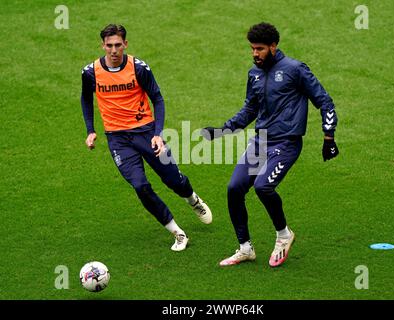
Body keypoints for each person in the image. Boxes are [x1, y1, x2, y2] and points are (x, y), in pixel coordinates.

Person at [201, 22, 339, 267]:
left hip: (286, 143)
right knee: (234, 189)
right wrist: (223, 130)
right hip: (261, 142)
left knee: (263, 186)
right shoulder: (254, 74)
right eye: (252, 49)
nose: (255, 54)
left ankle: (284, 235)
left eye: (260, 49)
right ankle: (245, 248)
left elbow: (325, 101)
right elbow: (250, 109)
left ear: (274, 47)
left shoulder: (295, 70)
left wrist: (329, 137)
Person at [80, 24, 212, 252]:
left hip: (146, 132)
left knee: (174, 180)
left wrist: (158, 135)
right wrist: (90, 130)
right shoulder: (90, 73)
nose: (113, 50)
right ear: (102, 45)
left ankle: (192, 199)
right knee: (140, 186)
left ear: (125, 44)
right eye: (109, 45)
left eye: (118, 45)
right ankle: (177, 233)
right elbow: (85, 99)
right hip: (117, 139)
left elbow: (157, 99)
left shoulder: (138, 68)